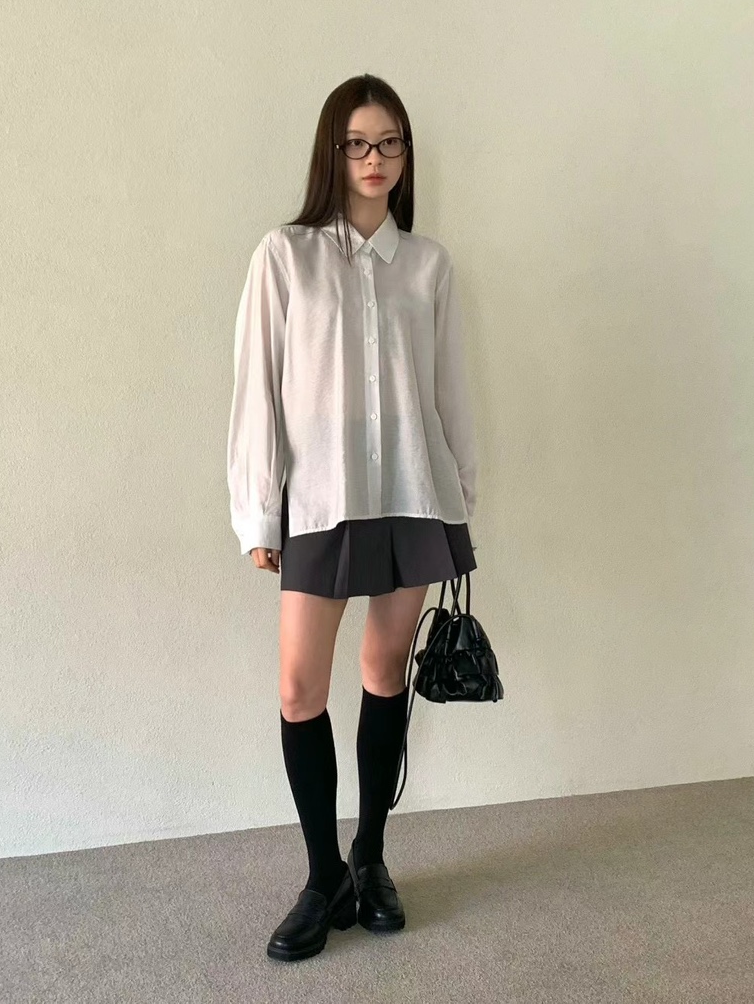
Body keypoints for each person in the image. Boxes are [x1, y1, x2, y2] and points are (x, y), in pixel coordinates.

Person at [227, 73, 479, 962]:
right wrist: (259, 513)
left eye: (391, 143)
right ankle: (322, 874)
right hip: (321, 501)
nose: (376, 159)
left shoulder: (429, 266)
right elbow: (257, 390)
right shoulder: (286, 256)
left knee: (383, 675)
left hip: (411, 494)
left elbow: (452, 393)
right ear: (333, 152)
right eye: (359, 143)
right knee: (300, 689)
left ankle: (371, 858)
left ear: (407, 155)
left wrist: (462, 500)